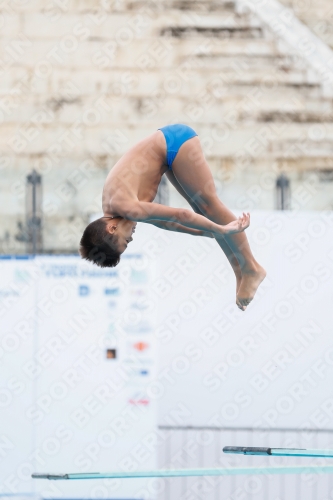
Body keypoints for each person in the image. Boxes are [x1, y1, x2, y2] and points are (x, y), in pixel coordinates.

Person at [80, 124, 266, 310]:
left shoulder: (124, 206)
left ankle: (251, 267)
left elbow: (179, 214)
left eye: (126, 240)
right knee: (205, 215)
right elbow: (166, 223)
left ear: (111, 228)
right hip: (168, 153)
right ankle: (240, 273)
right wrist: (205, 232)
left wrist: (220, 229)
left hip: (175, 142)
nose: (132, 237)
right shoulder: (115, 210)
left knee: (209, 206)